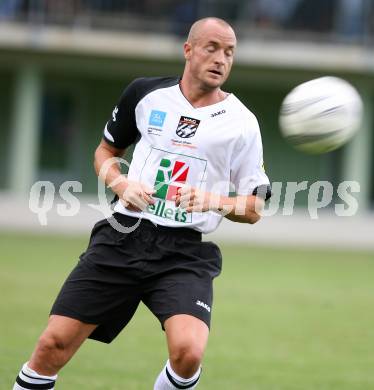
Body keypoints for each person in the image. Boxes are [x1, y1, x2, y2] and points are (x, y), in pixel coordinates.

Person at [13, 17, 271, 390]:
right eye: (212, 48)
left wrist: (211, 200)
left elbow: (254, 208)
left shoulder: (242, 123)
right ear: (188, 50)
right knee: (52, 345)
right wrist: (120, 183)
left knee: (188, 353)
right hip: (122, 240)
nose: (221, 59)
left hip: (184, 254)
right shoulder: (146, 95)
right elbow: (106, 151)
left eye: (229, 52)